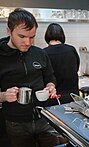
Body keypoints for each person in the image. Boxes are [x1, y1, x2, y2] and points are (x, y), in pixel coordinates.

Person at [0, 8, 59, 147]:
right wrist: (3, 96)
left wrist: (51, 86)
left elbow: (50, 77)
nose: (27, 42)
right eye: (22, 36)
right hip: (16, 123)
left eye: (31, 37)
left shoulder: (40, 53)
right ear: (9, 31)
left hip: (44, 117)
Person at [44, 23, 80, 105]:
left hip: (55, 97)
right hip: (73, 95)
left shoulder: (44, 52)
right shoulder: (71, 49)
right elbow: (76, 68)